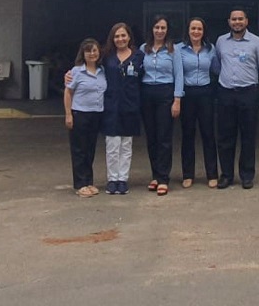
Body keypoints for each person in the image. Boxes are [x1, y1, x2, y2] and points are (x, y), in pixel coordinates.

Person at [213, 8, 259, 190]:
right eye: (234, 19)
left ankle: (247, 175)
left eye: (240, 19)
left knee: (248, 136)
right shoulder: (221, 41)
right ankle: (226, 175)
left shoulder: (257, 42)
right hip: (226, 93)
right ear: (229, 21)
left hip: (249, 94)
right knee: (225, 137)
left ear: (246, 21)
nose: (237, 22)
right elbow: (216, 65)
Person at [140, 15, 183, 197]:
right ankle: (155, 176)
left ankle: (164, 178)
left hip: (166, 94)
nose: (159, 31)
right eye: (157, 27)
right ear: (152, 29)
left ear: (167, 30)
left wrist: (177, 99)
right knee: (151, 137)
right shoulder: (144, 49)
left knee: (164, 137)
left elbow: (179, 75)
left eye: (163, 28)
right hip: (147, 93)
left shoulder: (173, 50)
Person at [100, 23, 144, 195]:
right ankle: (112, 179)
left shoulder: (138, 56)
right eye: (117, 36)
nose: (120, 39)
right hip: (111, 105)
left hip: (130, 105)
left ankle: (122, 179)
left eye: (123, 35)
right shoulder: (106, 56)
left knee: (126, 144)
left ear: (129, 37)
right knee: (112, 144)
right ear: (112, 39)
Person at [175, 17, 219, 189]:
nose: (196, 32)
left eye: (199, 29)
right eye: (193, 28)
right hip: (187, 93)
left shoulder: (211, 48)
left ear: (203, 31)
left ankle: (212, 174)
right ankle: (188, 174)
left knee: (208, 134)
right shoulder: (179, 49)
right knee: (188, 135)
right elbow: (177, 73)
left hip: (206, 93)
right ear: (188, 30)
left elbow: (216, 69)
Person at [64, 38, 106, 198]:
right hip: (79, 114)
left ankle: (89, 181)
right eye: (88, 51)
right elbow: (68, 93)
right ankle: (80, 184)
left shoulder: (102, 71)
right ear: (83, 53)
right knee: (79, 150)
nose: (92, 53)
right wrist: (68, 114)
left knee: (90, 150)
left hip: (96, 114)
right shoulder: (75, 72)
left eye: (95, 50)